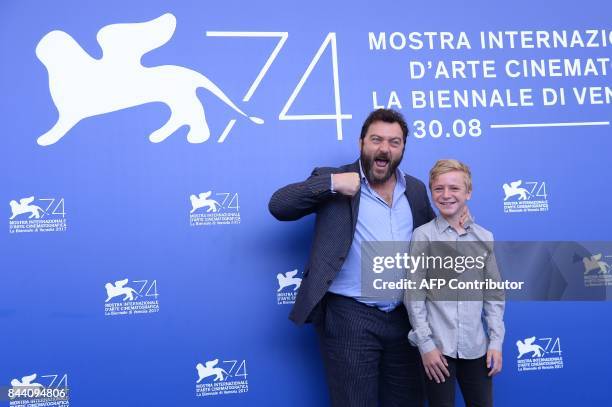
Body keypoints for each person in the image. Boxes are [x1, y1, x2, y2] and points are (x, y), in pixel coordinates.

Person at [269, 108, 435, 406]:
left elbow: (431, 243)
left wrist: (459, 224)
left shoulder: (416, 190)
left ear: (402, 149)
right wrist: (331, 184)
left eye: (394, 142)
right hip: (350, 317)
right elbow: (279, 206)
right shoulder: (334, 179)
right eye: (376, 139)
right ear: (361, 143)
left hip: (405, 319)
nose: (384, 148)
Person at [404, 159, 505, 407]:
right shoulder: (423, 236)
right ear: (431, 192)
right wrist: (425, 345)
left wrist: (496, 342)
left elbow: (493, 295)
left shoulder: (484, 237)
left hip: (476, 348)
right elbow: (414, 294)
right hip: (438, 351)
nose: (446, 195)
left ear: (468, 192)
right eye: (439, 189)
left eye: (454, 188)